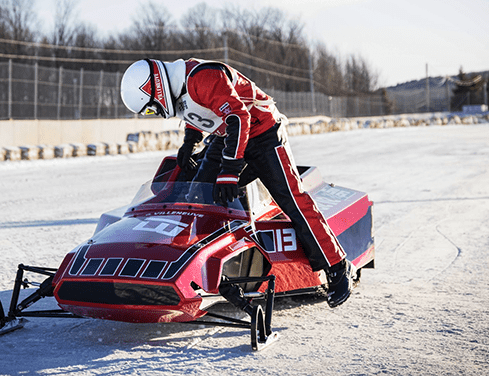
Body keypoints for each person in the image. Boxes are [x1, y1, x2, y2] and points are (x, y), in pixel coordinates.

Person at [120, 58, 353, 308]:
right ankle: (195, 264)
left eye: (150, 109)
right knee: (198, 194)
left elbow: (239, 117)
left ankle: (337, 266)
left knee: (291, 198)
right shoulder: (179, 85)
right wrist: (190, 142)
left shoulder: (203, 77)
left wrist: (229, 172)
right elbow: (196, 110)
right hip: (228, 135)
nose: (154, 113)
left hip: (263, 133)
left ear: (156, 87)